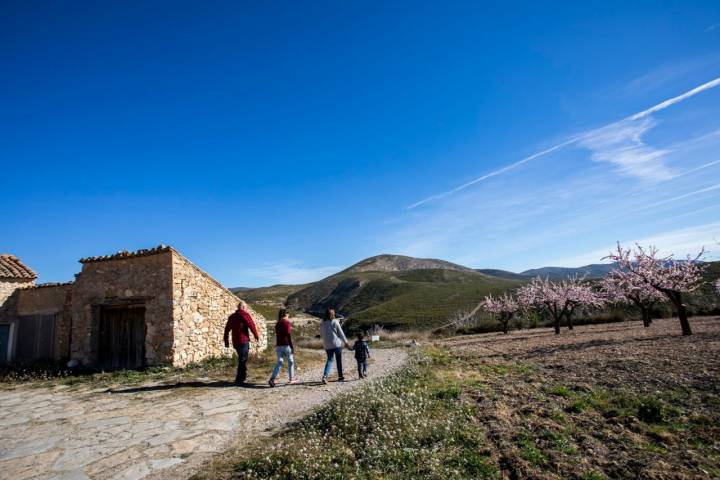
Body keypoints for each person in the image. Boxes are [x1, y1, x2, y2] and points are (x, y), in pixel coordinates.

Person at [223, 300, 260, 385]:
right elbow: (251, 325)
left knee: (242, 358)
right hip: (243, 340)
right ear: (243, 307)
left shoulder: (231, 317)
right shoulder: (245, 314)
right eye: (246, 307)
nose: (246, 309)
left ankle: (242, 376)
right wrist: (256, 335)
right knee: (242, 359)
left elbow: (227, 329)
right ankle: (239, 379)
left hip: (235, 342)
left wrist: (226, 340)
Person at [319, 307, 350, 384]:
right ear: (333, 314)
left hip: (327, 344)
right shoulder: (335, 322)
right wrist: (346, 342)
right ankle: (340, 376)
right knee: (338, 360)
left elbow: (321, 334)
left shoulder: (322, 322)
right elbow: (341, 333)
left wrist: (325, 341)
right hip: (336, 344)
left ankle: (325, 376)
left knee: (329, 360)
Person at [269, 308, 296, 387]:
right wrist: (291, 346)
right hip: (286, 345)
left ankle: (272, 379)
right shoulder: (287, 323)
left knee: (279, 363)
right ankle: (291, 379)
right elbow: (288, 335)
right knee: (290, 362)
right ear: (286, 314)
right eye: (288, 314)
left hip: (278, 346)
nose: (288, 316)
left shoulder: (277, 324)